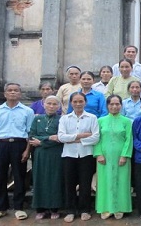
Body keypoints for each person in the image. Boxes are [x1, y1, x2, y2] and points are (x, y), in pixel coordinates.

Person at [0, 83, 35, 222]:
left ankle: (19, 207)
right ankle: (0, 208)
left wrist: (27, 150)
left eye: (16, 90)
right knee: (0, 176)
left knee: (19, 176)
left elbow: (30, 133)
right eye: (10, 90)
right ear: (5, 93)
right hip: (0, 144)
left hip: (19, 144)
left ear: (20, 93)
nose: (13, 92)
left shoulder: (27, 111)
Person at [58, 92, 100, 223]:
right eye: (75, 101)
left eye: (80, 101)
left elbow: (95, 137)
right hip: (69, 155)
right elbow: (61, 137)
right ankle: (70, 210)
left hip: (86, 154)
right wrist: (81, 136)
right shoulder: (64, 118)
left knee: (85, 183)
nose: (78, 104)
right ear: (71, 103)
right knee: (69, 183)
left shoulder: (92, 118)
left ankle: (85, 210)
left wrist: (74, 139)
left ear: (85, 102)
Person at [94, 95, 133, 220]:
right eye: (112, 104)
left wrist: (124, 155)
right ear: (107, 106)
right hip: (104, 157)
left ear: (121, 105)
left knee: (122, 181)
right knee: (104, 181)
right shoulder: (100, 121)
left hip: (121, 156)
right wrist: (98, 153)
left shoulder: (127, 121)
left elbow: (129, 139)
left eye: (117, 104)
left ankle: (120, 207)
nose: (114, 106)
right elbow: (97, 139)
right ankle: (105, 207)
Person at [29, 96, 64, 220]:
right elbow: (32, 136)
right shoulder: (37, 119)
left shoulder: (61, 120)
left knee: (55, 179)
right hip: (40, 154)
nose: (51, 106)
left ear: (58, 107)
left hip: (55, 153)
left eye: (55, 104)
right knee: (40, 178)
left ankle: (54, 208)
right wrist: (49, 138)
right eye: (49, 103)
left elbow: (61, 137)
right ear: (44, 104)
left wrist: (42, 140)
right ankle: (41, 208)